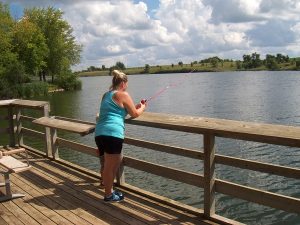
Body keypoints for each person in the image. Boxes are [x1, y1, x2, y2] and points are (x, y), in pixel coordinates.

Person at [95, 70, 146, 203]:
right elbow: (135, 114)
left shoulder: (106, 95)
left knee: (108, 164)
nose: (127, 86)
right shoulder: (123, 94)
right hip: (112, 134)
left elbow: (118, 111)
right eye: (127, 83)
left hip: (99, 133)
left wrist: (132, 108)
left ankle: (109, 189)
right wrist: (143, 107)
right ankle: (108, 195)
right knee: (110, 166)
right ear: (123, 83)